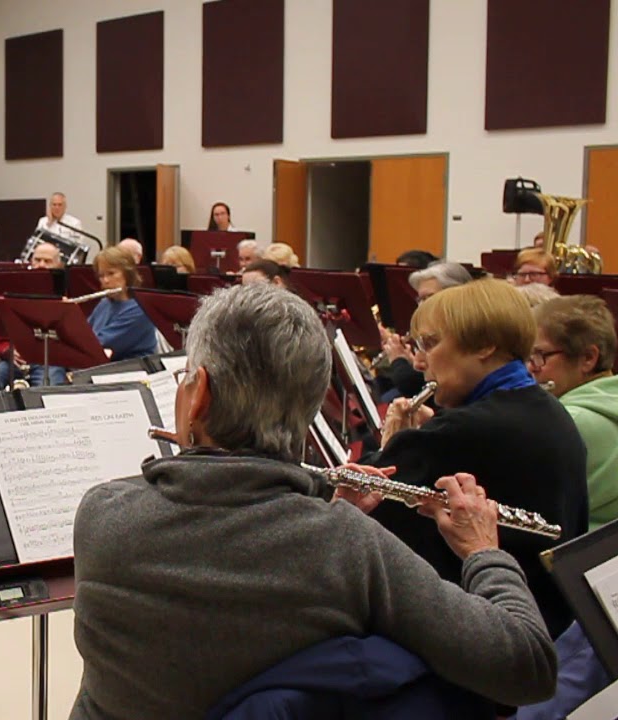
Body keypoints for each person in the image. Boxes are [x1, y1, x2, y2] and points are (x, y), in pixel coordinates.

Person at [70, 283, 558, 719]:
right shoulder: (345, 542)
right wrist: (483, 552)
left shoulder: (103, 514)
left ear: (196, 395)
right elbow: (527, 667)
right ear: (309, 407)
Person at [364, 279, 588, 638]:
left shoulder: (462, 432)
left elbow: (366, 521)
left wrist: (393, 446)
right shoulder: (547, 409)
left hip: (484, 633)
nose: (420, 361)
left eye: (432, 344)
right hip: (547, 618)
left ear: (485, 346)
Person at [531, 296, 618, 531]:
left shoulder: (568, 420)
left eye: (540, 356)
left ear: (588, 358)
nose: (530, 368)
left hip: (573, 555)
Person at [376, 262, 473, 401]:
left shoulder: (461, 330)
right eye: (419, 300)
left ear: (455, 295)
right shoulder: (432, 329)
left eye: (428, 298)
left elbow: (411, 385)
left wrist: (398, 359)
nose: (421, 307)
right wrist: (412, 362)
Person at [0, 242, 66, 390]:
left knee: (48, 390)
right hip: (17, 359)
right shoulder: (14, 289)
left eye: (47, 261)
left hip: (51, 360)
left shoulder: (67, 292)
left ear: (59, 265)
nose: (41, 265)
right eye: (37, 260)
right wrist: (7, 351)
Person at [88, 247, 156, 361]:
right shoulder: (104, 304)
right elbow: (82, 335)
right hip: (99, 368)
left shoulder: (140, 310)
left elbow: (98, 344)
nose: (105, 280)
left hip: (128, 372)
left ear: (127, 274)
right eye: (101, 276)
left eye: (111, 273)